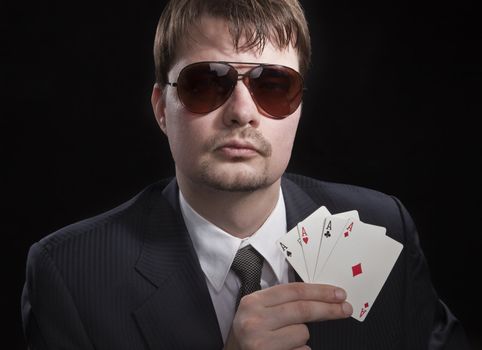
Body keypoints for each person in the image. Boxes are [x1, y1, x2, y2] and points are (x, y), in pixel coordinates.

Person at [21, 0, 470, 349]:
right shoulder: (70, 275)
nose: (242, 113)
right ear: (162, 108)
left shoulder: (383, 226)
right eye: (206, 82)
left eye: (273, 85)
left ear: (298, 106)